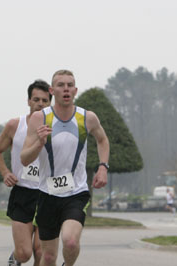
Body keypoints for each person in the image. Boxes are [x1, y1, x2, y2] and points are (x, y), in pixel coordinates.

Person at [21, 70, 110, 266]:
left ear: (75, 90)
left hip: (76, 192)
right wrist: (39, 143)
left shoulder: (87, 118)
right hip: (47, 194)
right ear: (53, 91)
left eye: (70, 85)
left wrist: (103, 166)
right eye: (61, 85)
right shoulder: (40, 118)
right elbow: (25, 159)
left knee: (70, 241)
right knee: (49, 257)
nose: (66, 89)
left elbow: (102, 140)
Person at [0, 79, 52, 266]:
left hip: (47, 194)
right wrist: (5, 172)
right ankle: (14, 259)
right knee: (25, 253)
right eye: (36, 99)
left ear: (50, 103)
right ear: (28, 101)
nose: (40, 104)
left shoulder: (57, 127)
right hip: (23, 192)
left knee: (41, 251)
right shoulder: (14, 125)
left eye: (44, 100)